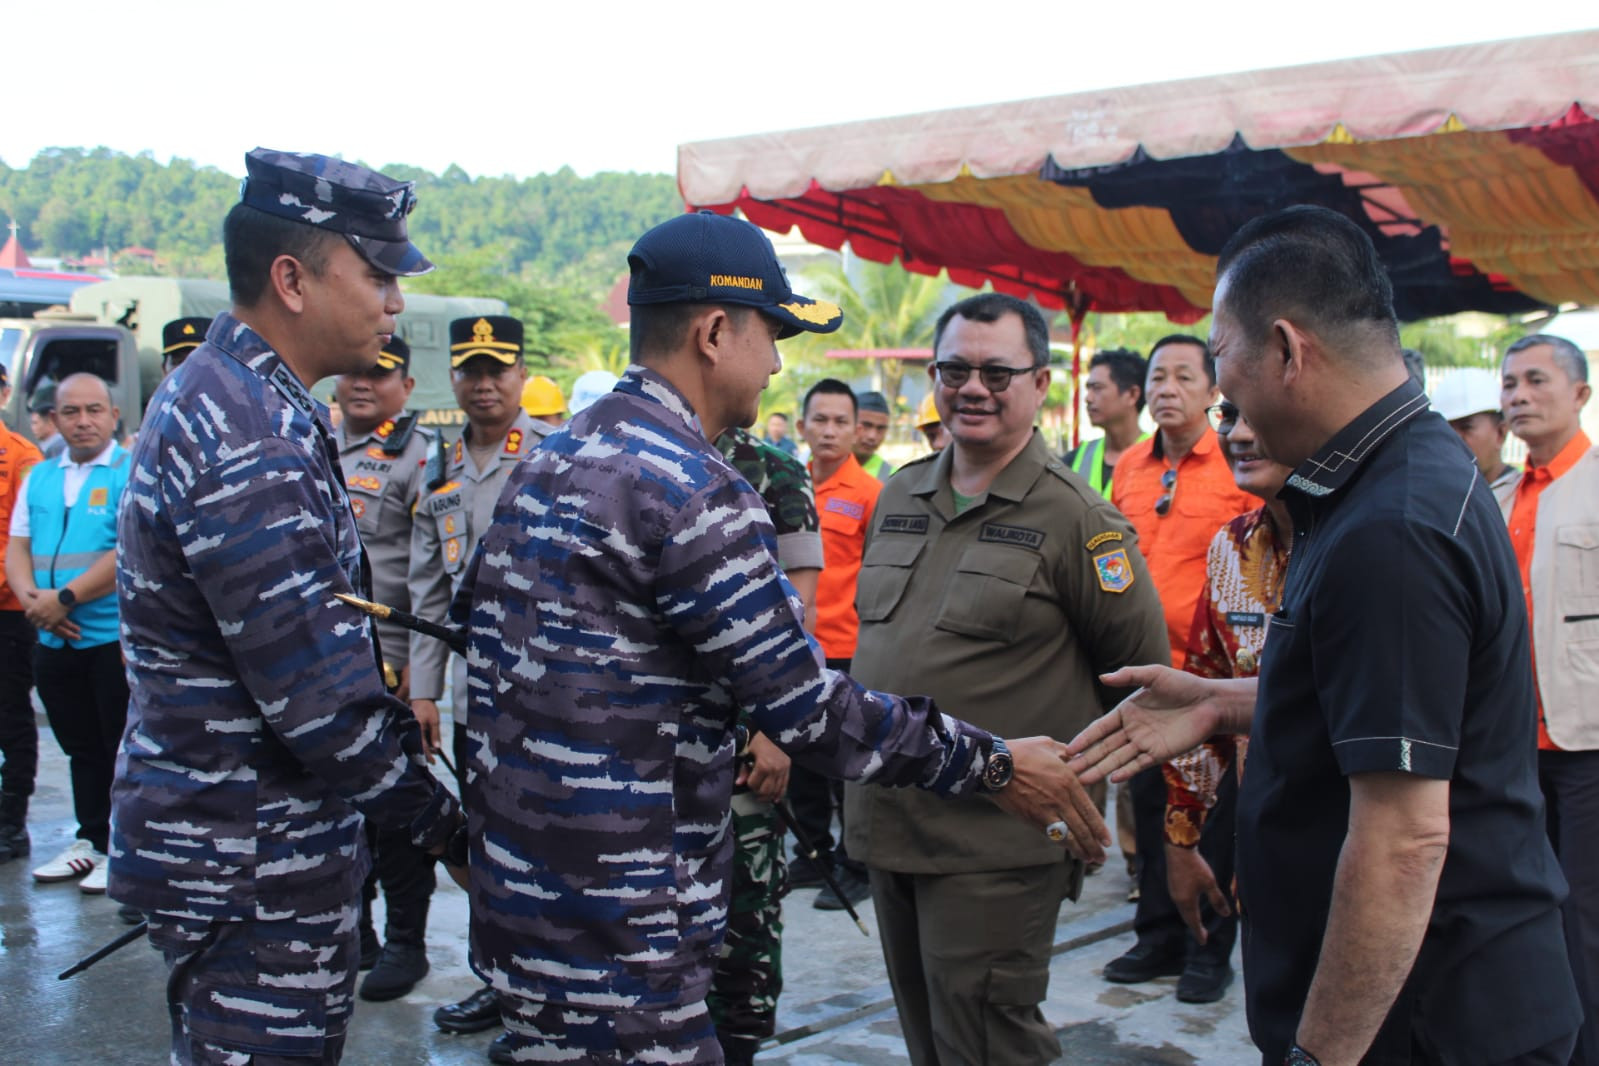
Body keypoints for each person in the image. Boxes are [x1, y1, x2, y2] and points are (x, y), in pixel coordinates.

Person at [459, 210, 1110, 1064]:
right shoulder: (693, 490)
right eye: (770, 334)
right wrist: (991, 764)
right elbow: (809, 713)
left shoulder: (545, 462)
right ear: (715, 330)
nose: (774, 362)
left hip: (522, 895)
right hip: (627, 917)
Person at [1069, 204, 1581, 1066]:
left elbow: (1402, 839)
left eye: (1221, 355)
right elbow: (1388, 695)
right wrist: (1225, 703)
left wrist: (1322, 1054)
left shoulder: (1392, 526)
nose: (1221, 393)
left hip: (1425, 1020)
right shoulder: (1380, 480)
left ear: (1285, 348)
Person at [107, 148, 466, 1066]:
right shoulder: (247, 436)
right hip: (252, 858)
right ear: (292, 279)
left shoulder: (240, 399)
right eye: (378, 274)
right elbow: (318, 700)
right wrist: (451, 832)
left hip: (238, 842)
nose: (394, 301)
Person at [845, 292, 1170, 1066]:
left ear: (1041, 384)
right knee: (931, 1043)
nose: (972, 387)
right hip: (892, 826)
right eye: (953, 369)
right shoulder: (898, 494)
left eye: (996, 371)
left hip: (997, 842)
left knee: (988, 1043)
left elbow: (1142, 685)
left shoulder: (1078, 519)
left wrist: (1093, 807)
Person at [409, 314, 550, 1046]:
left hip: (551, 696)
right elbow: (428, 593)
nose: (485, 382)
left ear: (522, 375)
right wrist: (424, 690)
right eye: (471, 369)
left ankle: (551, 994)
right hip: (474, 698)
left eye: (498, 368)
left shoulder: (555, 457)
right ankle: (500, 983)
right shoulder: (436, 473)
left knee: (550, 848)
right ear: (454, 380)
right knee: (486, 844)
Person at [1107, 334, 1254, 997]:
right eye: (1157, 375)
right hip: (1143, 670)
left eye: (1182, 376)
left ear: (1211, 390)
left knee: (1210, 818)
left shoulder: (1235, 464)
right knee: (1148, 807)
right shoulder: (1131, 467)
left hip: (1213, 680)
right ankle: (1157, 939)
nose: (1166, 388)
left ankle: (1207, 952)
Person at [1159, 401, 1293, 1004]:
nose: (1238, 433)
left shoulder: (1373, 537)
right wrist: (1182, 837)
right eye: (1227, 413)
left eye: (1256, 411)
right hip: (1259, 826)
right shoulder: (1234, 547)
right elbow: (1208, 690)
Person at [707, 423, 823, 1066]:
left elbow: (797, 613)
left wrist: (773, 725)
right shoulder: (632, 451)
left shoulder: (774, 469)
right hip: (649, 744)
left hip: (748, 734)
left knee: (746, 912)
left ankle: (740, 1043)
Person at [332, 334, 443, 1002]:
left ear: (405, 384)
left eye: (378, 374)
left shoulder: (417, 458)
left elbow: (426, 572)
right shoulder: (315, 441)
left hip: (390, 660)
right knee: (341, 803)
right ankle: (361, 931)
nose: (362, 384)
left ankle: (407, 940)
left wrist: (410, 673)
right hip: (326, 660)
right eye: (353, 371)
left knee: (397, 809)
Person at [1501, 332, 1599, 1066]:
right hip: (1508, 746)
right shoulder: (1494, 496)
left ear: (1579, 395)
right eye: (1509, 384)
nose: (1517, 397)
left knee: (1585, 918)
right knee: (1523, 908)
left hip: (1587, 738)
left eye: (1535, 380)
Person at [6, 372, 130, 893]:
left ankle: (122, 850)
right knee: (78, 746)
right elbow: (18, 544)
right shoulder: (41, 476)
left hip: (106, 636)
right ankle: (90, 839)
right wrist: (34, 601)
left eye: (94, 410)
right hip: (53, 635)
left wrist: (65, 599)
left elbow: (126, 550)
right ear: (55, 418)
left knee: (116, 746)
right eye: (72, 412)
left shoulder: (129, 472)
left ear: (112, 416)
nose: (83, 422)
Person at [792, 377, 882, 910]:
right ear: (801, 426)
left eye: (840, 421)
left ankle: (857, 862)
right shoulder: (788, 484)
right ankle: (813, 853)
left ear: (855, 430)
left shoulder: (872, 495)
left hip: (850, 646)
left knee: (848, 760)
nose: (828, 431)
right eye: (819, 420)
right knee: (799, 755)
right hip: (795, 645)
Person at [0, 363, 42, 864]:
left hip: (10, 612)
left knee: (10, 719)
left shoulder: (22, 457)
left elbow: (19, 538)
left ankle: (11, 823)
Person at [1431, 366, 1519, 518]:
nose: (1454, 440)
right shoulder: (1436, 499)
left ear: (1501, 433)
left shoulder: (1522, 497)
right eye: (1446, 430)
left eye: (1466, 427)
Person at [1065, 347, 1149, 498]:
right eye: (1088, 389)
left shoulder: (1160, 457)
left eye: (1097, 388)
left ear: (1132, 395)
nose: (1088, 398)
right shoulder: (1076, 458)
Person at [854, 389, 896, 481]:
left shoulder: (893, 477)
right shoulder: (818, 466)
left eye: (880, 428)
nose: (872, 436)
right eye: (866, 426)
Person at [28, 385, 64, 459]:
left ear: (52, 421)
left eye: (35, 423)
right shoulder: (44, 448)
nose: (33, 428)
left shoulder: (58, 449)